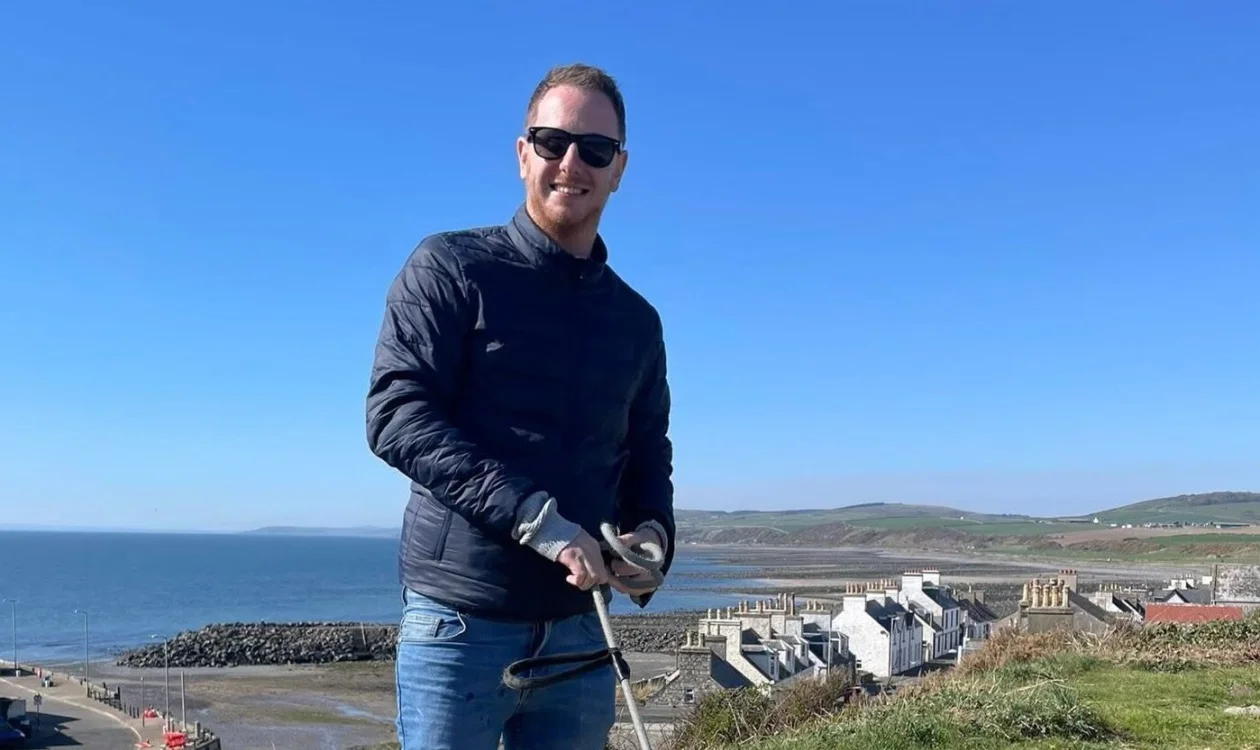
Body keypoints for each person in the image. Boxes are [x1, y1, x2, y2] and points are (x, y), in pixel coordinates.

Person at [365, 62, 676, 750]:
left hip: (579, 629)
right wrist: (539, 520)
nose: (572, 163)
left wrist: (652, 538)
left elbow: (647, 453)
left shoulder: (636, 321)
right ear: (521, 153)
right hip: (461, 621)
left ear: (619, 168)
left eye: (595, 150)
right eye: (552, 141)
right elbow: (397, 415)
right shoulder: (449, 267)